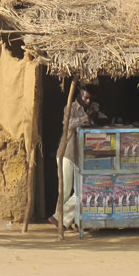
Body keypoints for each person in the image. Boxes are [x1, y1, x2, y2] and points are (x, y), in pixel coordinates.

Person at [48, 85, 97, 229]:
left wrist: (94, 116)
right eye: (86, 98)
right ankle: (61, 220)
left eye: (90, 98)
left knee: (80, 191)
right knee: (64, 191)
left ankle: (60, 218)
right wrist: (85, 118)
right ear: (80, 94)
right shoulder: (70, 108)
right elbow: (67, 124)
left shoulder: (91, 109)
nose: (88, 101)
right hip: (67, 154)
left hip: (80, 156)